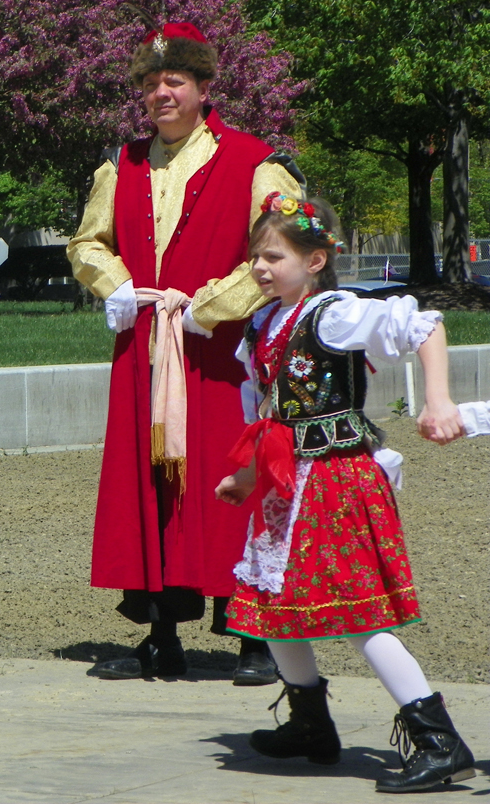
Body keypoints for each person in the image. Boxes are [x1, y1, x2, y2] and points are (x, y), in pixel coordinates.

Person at [67, 22, 304, 685]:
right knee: (154, 482)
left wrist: (210, 307)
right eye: (149, 84)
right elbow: (88, 243)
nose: (160, 95)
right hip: (145, 350)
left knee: (229, 480)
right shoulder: (124, 162)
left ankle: (253, 638)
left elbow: (288, 239)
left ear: (203, 87)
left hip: (221, 353)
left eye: (173, 81)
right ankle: (161, 633)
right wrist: (115, 286)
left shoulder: (256, 162)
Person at [215, 193, 475, 793]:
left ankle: (440, 739)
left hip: (334, 479)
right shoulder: (262, 321)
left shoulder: (333, 312)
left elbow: (425, 325)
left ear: (315, 260)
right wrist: (251, 474)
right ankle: (311, 725)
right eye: (255, 255)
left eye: (273, 256)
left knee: (359, 615)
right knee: (272, 608)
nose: (259, 267)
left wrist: (437, 400)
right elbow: (267, 409)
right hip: (287, 483)